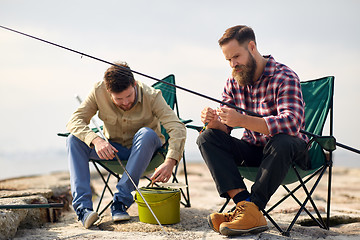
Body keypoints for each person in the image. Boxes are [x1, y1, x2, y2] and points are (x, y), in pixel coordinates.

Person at [196, 25, 309, 236]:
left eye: (236, 56)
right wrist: (212, 122)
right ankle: (245, 206)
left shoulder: (284, 76)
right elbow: (226, 127)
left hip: (289, 153)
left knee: (281, 141)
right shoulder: (233, 80)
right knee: (207, 138)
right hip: (254, 149)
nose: (233, 64)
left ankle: (253, 208)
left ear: (252, 46)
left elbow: (292, 123)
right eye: (228, 60)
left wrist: (243, 120)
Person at [66, 62, 186, 228]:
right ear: (109, 92)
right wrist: (97, 140)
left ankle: (120, 202)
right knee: (73, 140)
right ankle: (83, 209)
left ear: (134, 84)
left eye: (129, 96)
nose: (125, 102)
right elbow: (74, 121)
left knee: (146, 133)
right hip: (114, 151)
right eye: (118, 99)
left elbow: (177, 127)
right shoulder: (98, 91)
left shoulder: (152, 95)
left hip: (148, 151)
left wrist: (170, 160)